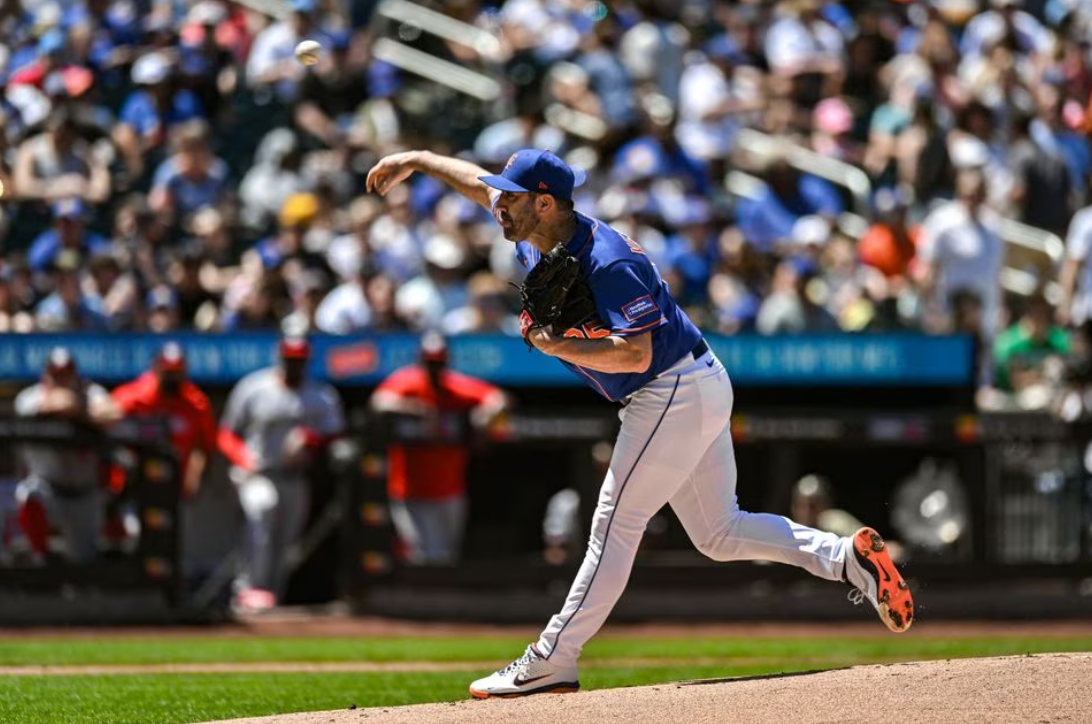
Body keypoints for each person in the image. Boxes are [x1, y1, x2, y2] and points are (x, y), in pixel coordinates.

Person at [366, 148, 915, 699]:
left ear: (545, 201)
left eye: (510, 196)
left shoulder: (607, 260)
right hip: (695, 384)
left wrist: (553, 343)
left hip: (668, 389)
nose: (498, 205)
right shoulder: (534, 225)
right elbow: (474, 184)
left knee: (614, 525)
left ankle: (552, 658)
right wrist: (418, 159)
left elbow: (634, 354)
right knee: (720, 533)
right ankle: (844, 560)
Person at [217, 336, 345, 612]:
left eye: (299, 361)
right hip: (258, 473)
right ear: (280, 357)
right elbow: (226, 434)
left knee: (286, 542)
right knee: (263, 511)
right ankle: (248, 589)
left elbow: (335, 434)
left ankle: (273, 596)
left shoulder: (320, 395)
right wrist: (243, 458)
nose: (293, 366)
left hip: (295, 477)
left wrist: (309, 439)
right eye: (289, 359)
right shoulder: (254, 388)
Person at [369, 331, 508, 565]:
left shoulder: (454, 386)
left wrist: (483, 418)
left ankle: (440, 602)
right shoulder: (407, 382)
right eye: (430, 362)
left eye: (438, 362)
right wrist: (419, 410)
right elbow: (379, 402)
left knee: (446, 556)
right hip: (409, 489)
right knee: (420, 554)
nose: (434, 368)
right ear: (421, 360)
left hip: (449, 488)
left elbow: (499, 399)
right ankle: (418, 602)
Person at [13, 347, 120, 564]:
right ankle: (40, 555)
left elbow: (113, 413)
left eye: (67, 373)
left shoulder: (90, 392)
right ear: (46, 374)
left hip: (84, 492)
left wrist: (78, 410)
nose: (62, 379)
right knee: (29, 495)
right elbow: (56, 404)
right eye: (56, 374)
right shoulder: (30, 396)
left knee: (84, 562)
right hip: (48, 487)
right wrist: (85, 413)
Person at [111, 342, 217, 503]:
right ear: (156, 369)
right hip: (132, 485)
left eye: (176, 373)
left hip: (175, 488)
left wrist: (194, 476)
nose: (172, 378)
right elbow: (107, 425)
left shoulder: (195, 404)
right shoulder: (135, 397)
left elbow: (204, 446)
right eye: (168, 373)